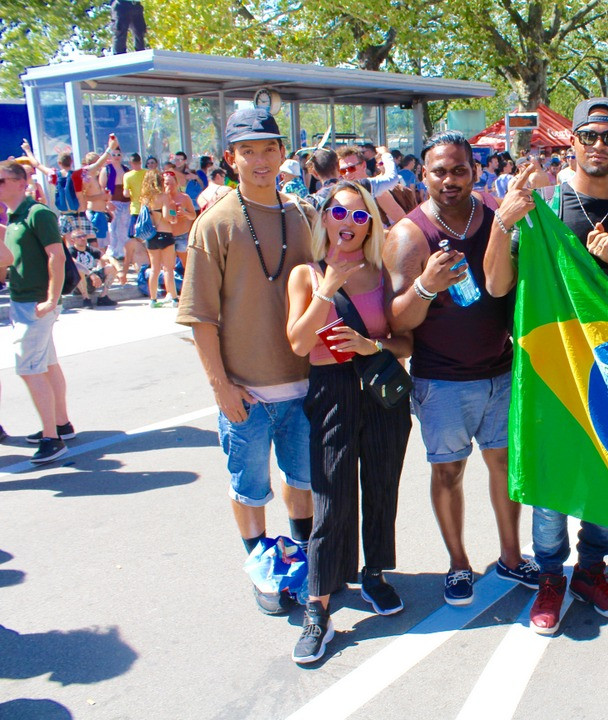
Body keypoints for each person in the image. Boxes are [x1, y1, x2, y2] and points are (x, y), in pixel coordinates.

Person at [486, 99, 608, 635]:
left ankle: (592, 569)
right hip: (551, 368)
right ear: (573, 142)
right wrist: (499, 224)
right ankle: (552, 576)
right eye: (589, 135)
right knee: (554, 479)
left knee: (607, 474)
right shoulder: (543, 208)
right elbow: (495, 285)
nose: (598, 146)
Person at [382, 131, 536, 609]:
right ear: (422, 174)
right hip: (441, 382)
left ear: (475, 171)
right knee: (448, 473)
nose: (449, 180)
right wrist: (426, 286)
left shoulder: (496, 219)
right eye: (439, 171)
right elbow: (398, 321)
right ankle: (458, 564)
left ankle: (512, 556)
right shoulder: (408, 234)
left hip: (501, 373)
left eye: (459, 170)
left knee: (505, 468)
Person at [176, 107, 316, 615]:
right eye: (248, 151)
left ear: (283, 153)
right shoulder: (214, 224)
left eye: (268, 149)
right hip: (246, 393)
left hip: (305, 386)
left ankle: (304, 562)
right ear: (231, 159)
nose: (260, 160)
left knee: (302, 484)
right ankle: (263, 573)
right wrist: (221, 387)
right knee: (250, 489)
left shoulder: (303, 214)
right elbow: (199, 318)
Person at [285, 180, 413, 663]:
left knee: (381, 486)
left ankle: (374, 574)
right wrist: (328, 288)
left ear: (371, 225)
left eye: (361, 217)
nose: (349, 224)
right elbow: (298, 343)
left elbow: (407, 342)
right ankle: (317, 607)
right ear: (323, 220)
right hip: (332, 392)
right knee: (332, 496)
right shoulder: (306, 274)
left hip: (382, 391)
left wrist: (373, 347)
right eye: (339, 214)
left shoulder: (381, 272)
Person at [0, 160, 74, 464]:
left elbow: (56, 257)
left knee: (30, 369)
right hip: (24, 300)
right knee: (47, 364)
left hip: (35, 302)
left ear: (21, 182)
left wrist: (50, 299)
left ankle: (51, 439)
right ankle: (61, 424)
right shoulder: (14, 217)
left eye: (1, 180)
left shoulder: (36, 213)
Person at [140, 170, 178, 307]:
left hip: (151, 236)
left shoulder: (145, 199)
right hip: (165, 233)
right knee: (168, 268)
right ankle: (173, 298)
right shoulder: (163, 197)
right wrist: (173, 216)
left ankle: (153, 299)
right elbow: (167, 216)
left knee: (154, 268)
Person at [69, 229, 119, 308]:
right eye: (79, 237)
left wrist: (120, 271)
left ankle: (103, 297)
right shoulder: (70, 251)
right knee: (79, 271)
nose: (83, 238)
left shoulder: (91, 249)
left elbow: (108, 258)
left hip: (92, 280)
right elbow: (75, 264)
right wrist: (91, 274)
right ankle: (86, 298)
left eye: (84, 236)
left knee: (111, 267)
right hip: (77, 285)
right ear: (73, 240)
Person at [121, 152, 147, 284]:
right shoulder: (146, 173)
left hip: (136, 209)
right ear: (140, 161)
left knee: (133, 238)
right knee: (146, 237)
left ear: (131, 163)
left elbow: (125, 193)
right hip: (147, 208)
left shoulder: (127, 175)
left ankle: (138, 267)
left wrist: (131, 192)